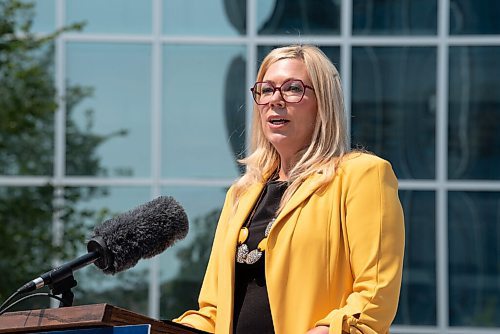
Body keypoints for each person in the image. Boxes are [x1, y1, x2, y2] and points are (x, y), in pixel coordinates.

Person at [174, 45, 405, 334]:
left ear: (323, 103)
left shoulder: (362, 175)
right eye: (266, 90)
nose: (275, 100)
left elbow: (373, 299)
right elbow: (213, 312)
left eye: (293, 89)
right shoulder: (241, 194)